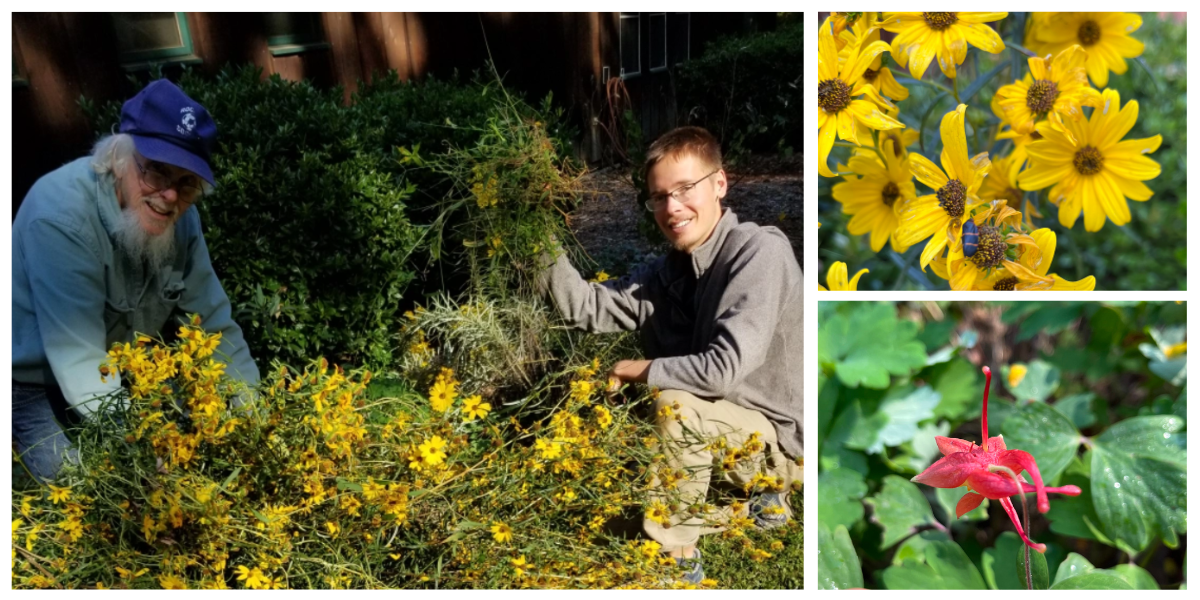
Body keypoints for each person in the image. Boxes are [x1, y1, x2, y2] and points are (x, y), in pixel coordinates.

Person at [540, 126, 802, 582]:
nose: (672, 208)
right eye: (659, 197)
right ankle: (754, 504)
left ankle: (677, 556)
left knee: (672, 404)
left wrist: (636, 369)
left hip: (775, 442)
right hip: (720, 434)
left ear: (720, 183)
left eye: (685, 189)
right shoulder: (666, 273)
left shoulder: (759, 253)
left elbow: (721, 372)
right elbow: (583, 307)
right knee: (633, 416)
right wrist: (532, 233)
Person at [12, 79, 260, 481]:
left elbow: (214, 323)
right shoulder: (60, 217)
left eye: (186, 183)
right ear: (118, 157)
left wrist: (255, 420)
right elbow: (78, 358)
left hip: (123, 373)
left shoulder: (182, 217)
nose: (168, 197)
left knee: (206, 456)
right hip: (34, 384)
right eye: (157, 171)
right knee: (87, 490)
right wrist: (141, 456)